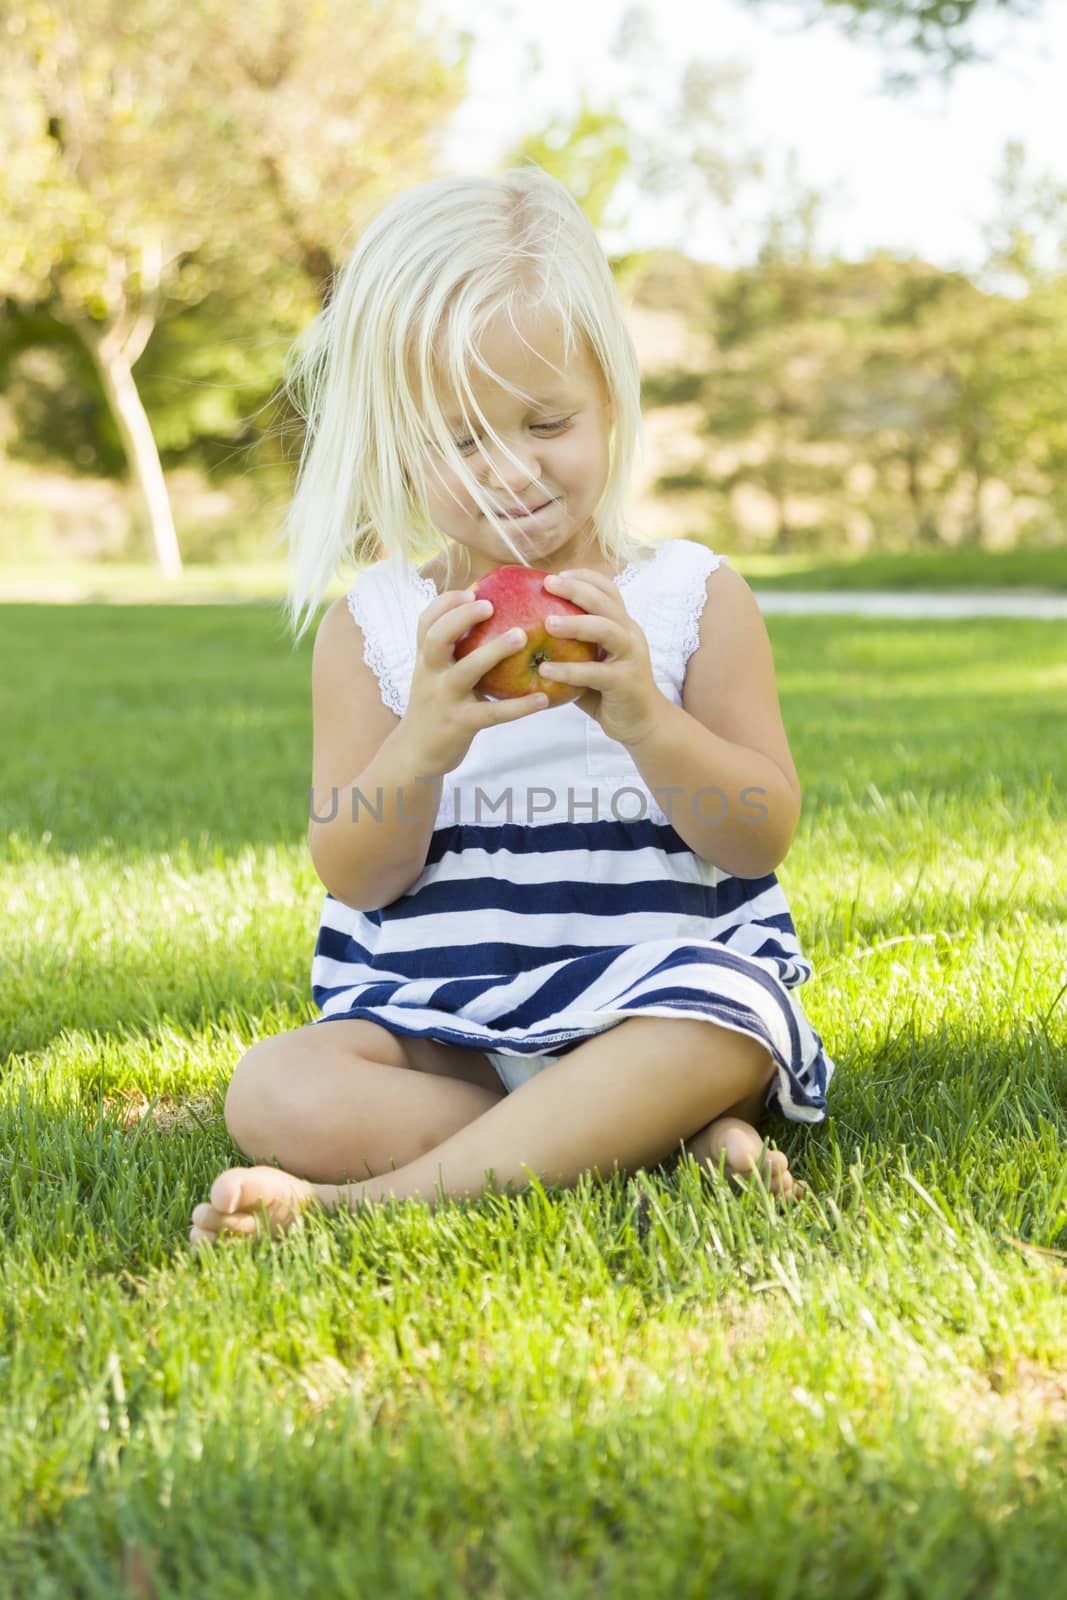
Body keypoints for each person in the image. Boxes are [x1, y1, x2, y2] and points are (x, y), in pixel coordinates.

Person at [189, 164, 834, 1249]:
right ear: (397, 439)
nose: (510, 474)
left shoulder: (688, 599)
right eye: (460, 441)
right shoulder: (380, 628)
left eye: (545, 421)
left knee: (723, 1017)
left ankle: (368, 1207)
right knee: (273, 1089)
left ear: (610, 398)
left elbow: (757, 829)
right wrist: (422, 742)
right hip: (449, 1021)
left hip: (655, 1001)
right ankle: (655, 1141)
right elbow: (354, 869)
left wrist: (646, 720)